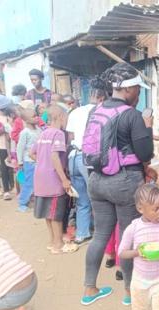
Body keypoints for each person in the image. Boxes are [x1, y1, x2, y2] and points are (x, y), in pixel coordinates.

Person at [82, 63, 153, 306]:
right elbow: (145, 153)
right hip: (124, 182)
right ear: (130, 88)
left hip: (97, 180)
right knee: (128, 236)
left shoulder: (96, 110)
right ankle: (129, 292)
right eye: (138, 89)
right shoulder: (132, 115)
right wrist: (148, 126)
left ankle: (90, 288)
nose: (138, 94)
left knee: (100, 234)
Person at [30, 105, 78, 254]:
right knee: (56, 213)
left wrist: (43, 162)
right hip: (53, 179)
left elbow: (32, 153)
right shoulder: (58, 134)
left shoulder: (43, 133)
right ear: (61, 117)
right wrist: (64, 179)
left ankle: (52, 241)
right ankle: (58, 244)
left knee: (47, 213)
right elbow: (54, 156)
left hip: (40, 178)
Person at [66, 79, 107, 244]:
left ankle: (82, 234)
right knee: (98, 198)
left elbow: (70, 137)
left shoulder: (75, 112)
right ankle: (101, 234)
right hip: (89, 160)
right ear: (103, 98)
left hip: (73, 157)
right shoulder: (102, 112)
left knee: (82, 199)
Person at [16, 102, 41, 212]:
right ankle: (22, 202)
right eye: (33, 116)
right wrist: (20, 162)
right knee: (29, 183)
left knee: (38, 182)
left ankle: (36, 201)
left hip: (38, 160)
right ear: (26, 120)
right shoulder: (24, 133)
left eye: (36, 115)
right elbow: (20, 148)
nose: (36, 118)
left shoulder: (39, 130)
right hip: (29, 161)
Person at [0, 95, 15, 200]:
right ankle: (6, 189)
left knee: (13, 167)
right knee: (4, 168)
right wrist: (3, 130)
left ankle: (14, 187)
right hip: (2, 146)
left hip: (13, 145)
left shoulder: (10, 117)